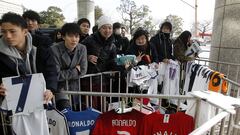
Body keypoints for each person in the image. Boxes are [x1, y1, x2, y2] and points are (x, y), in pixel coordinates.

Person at [0, 12, 53, 134]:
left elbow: (51, 70)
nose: (7, 36)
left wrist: (50, 88)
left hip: (41, 98)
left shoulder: (41, 45)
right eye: (4, 31)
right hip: (15, 104)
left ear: (25, 31)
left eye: (12, 31)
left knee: (42, 129)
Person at [81, 15, 118, 110]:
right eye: (104, 27)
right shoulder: (90, 39)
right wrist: (87, 57)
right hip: (89, 78)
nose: (107, 30)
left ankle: (100, 124)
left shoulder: (112, 45)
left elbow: (113, 61)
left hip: (103, 79)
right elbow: (78, 52)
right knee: (90, 106)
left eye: (110, 28)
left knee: (101, 105)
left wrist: (120, 66)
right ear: (99, 29)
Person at [50, 23, 88, 111]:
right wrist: (75, 71)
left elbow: (83, 70)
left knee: (76, 113)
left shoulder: (82, 48)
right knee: (65, 114)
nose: (74, 40)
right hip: (60, 89)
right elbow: (57, 75)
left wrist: (67, 72)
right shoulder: (54, 49)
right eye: (70, 36)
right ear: (63, 37)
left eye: (77, 36)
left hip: (75, 88)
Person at [22, 10, 57, 93]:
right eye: (27, 20)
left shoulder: (45, 41)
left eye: (33, 20)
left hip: (41, 81)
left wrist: (50, 88)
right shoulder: (14, 41)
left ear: (38, 24)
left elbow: (51, 66)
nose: (30, 23)